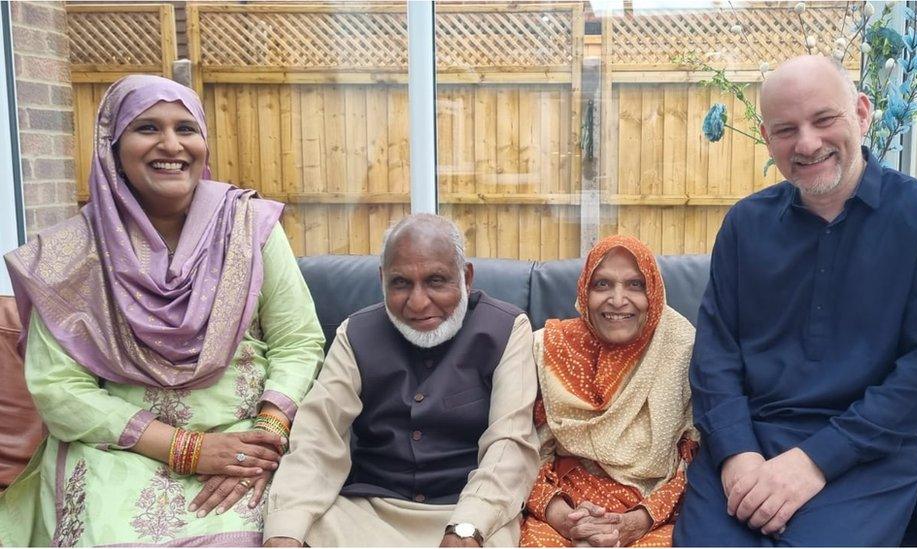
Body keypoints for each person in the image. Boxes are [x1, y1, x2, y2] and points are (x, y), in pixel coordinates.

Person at [0, 75, 325, 546]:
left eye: (186, 129)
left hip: (241, 439)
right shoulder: (69, 255)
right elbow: (59, 390)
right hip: (119, 450)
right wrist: (188, 449)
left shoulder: (250, 228)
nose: (171, 144)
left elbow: (297, 341)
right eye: (147, 127)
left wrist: (264, 438)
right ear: (112, 146)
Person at [674, 55, 917, 546]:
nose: (807, 143)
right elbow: (715, 357)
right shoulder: (744, 226)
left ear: (861, 113)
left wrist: (815, 461)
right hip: (751, 440)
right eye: (786, 129)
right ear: (769, 140)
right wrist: (736, 453)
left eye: (824, 119)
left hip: (869, 452)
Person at [263, 213, 539, 547]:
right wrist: (284, 532)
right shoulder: (355, 333)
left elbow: (510, 445)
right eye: (401, 283)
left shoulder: (507, 329)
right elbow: (317, 439)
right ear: (382, 280)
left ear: (465, 278)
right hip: (365, 512)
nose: (418, 302)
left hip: (469, 510)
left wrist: (467, 527)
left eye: (436, 281)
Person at [520, 235, 697, 548]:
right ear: (584, 292)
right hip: (563, 508)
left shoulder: (682, 349)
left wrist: (636, 522)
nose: (618, 300)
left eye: (635, 285)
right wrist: (565, 518)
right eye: (602, 284)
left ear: (654, 292)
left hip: (654, 514)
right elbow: (524, 455)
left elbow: (695, 461)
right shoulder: (549, 348)